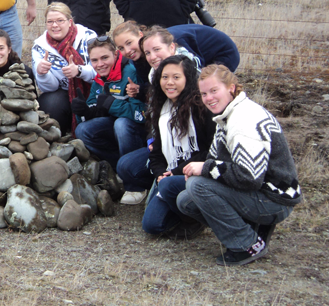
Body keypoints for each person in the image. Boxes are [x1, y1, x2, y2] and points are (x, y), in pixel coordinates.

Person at [178, 65, 302, 266]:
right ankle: (252, 228)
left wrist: (205, 169)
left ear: (231, 88)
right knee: (186, 200)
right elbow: (217, 158)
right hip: (263, 193)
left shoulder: (244, 120)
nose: (209, 98)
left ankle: (248, 245)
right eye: (204, 93)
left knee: (197, 187)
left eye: (214, 91)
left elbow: (249, 177)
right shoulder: (228, 114)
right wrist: (202, 169)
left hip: (274, 199)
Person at [117, 55, 216, 236]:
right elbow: (156, 152)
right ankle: (183, 210)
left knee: (170, 194)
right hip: (170, 173)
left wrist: (176, 173)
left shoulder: (202, 107)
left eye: (176, 77)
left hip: (199, 173)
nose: (169, 82)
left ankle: (197, 217)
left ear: (188, 79)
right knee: (151, 225)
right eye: (164, 77)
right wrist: (161, 174)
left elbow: (211, 150)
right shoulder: (161, 108)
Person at [71, 36, 147, 171]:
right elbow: (93, 108)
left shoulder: (131, 73)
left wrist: (113, 105)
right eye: (94, 60)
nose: (100, 64)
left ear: (116, 54)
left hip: (140, 131)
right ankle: (117, 167)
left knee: (121, 124)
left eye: (105, 58)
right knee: (82, 130)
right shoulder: (99, 78)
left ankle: (133, 168)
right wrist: (84, 111)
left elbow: (142, 115)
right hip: (116, 128)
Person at [32, 2, 96, 135]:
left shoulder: (88, 38)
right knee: (50, 103)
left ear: (70, 22)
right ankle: (61, 136)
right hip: (64, 92)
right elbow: (49, 88)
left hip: (93, 88)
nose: (55, 25)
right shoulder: (39, 47)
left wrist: (79, 71)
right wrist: (42, 74)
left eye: (60, 21)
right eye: (50, 22)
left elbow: (100, 71)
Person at [141, 26, 240, 82]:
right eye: (147, 53)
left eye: (157, 49)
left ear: (172, 47)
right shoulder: (153, 74)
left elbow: (197, 65)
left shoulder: (182, 50)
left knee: (211, 85)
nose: (152, 57)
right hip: (203, 54)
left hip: (224, 53)